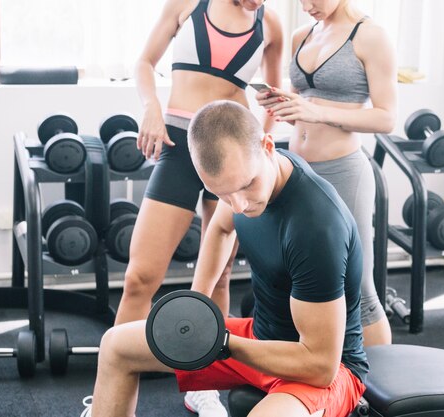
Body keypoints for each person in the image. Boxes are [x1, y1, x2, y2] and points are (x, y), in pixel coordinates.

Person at [85, 100, 367, 417]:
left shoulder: (315, 227)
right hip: (259, 338)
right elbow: (220, 229)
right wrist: (196, 303)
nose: (238, 206)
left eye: (247, 186)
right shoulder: (242, 181)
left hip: (322, 369)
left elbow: (320, 365)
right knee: (115, 346)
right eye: (221, 193)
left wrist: (222, 343)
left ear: (268, 146)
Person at [116, 0, 283, 415]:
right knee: (140, 276)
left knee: (220, 277)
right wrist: (150, 107)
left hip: (231, 151)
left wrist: (258, 151)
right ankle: (115, 391)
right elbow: (144, 62)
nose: (259, 2)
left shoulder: (271, 24)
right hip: (176, 142)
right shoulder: (187, 4)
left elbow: (274, 100)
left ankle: (202, 382)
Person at [256, 0, 396, 346]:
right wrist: (285, 104)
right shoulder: (302, 34)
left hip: (343, 170)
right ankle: (318, 371)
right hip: (299, 171)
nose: (306, 6)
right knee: (301, 277)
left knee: (359, 289)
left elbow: (386, 118)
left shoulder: (371, 36)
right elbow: (307, 99)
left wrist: (318, 113)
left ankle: (381, 392)